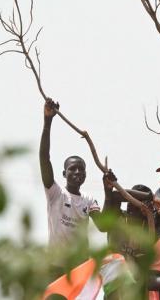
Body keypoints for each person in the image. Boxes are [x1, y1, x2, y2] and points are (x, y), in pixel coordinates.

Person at [39, 98, 106, 247]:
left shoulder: (88, 200)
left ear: (85, 175)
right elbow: (44, 158)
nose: (77, 172)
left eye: (81, 169)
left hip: (80, 266)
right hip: (55, 266)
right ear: (64, 174)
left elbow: (103, 226)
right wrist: (47, 122)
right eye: (72, 169)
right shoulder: (55, 193)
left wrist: (108, 191)